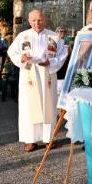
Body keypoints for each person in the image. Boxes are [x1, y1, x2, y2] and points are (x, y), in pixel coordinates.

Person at [8, 10, 68, 152]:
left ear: (44, 20)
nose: (37, 23)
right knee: (29, 107)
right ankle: (31, 140)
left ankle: (49, 138)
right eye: (34, 20)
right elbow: (12, 52)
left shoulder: (54, 37)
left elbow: (62, 54)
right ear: (29, 21)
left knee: (48, 105)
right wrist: (21, 59)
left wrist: (51, 63)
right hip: (29, 74)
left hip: (47, 73)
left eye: (40, 20)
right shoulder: (23, 36)